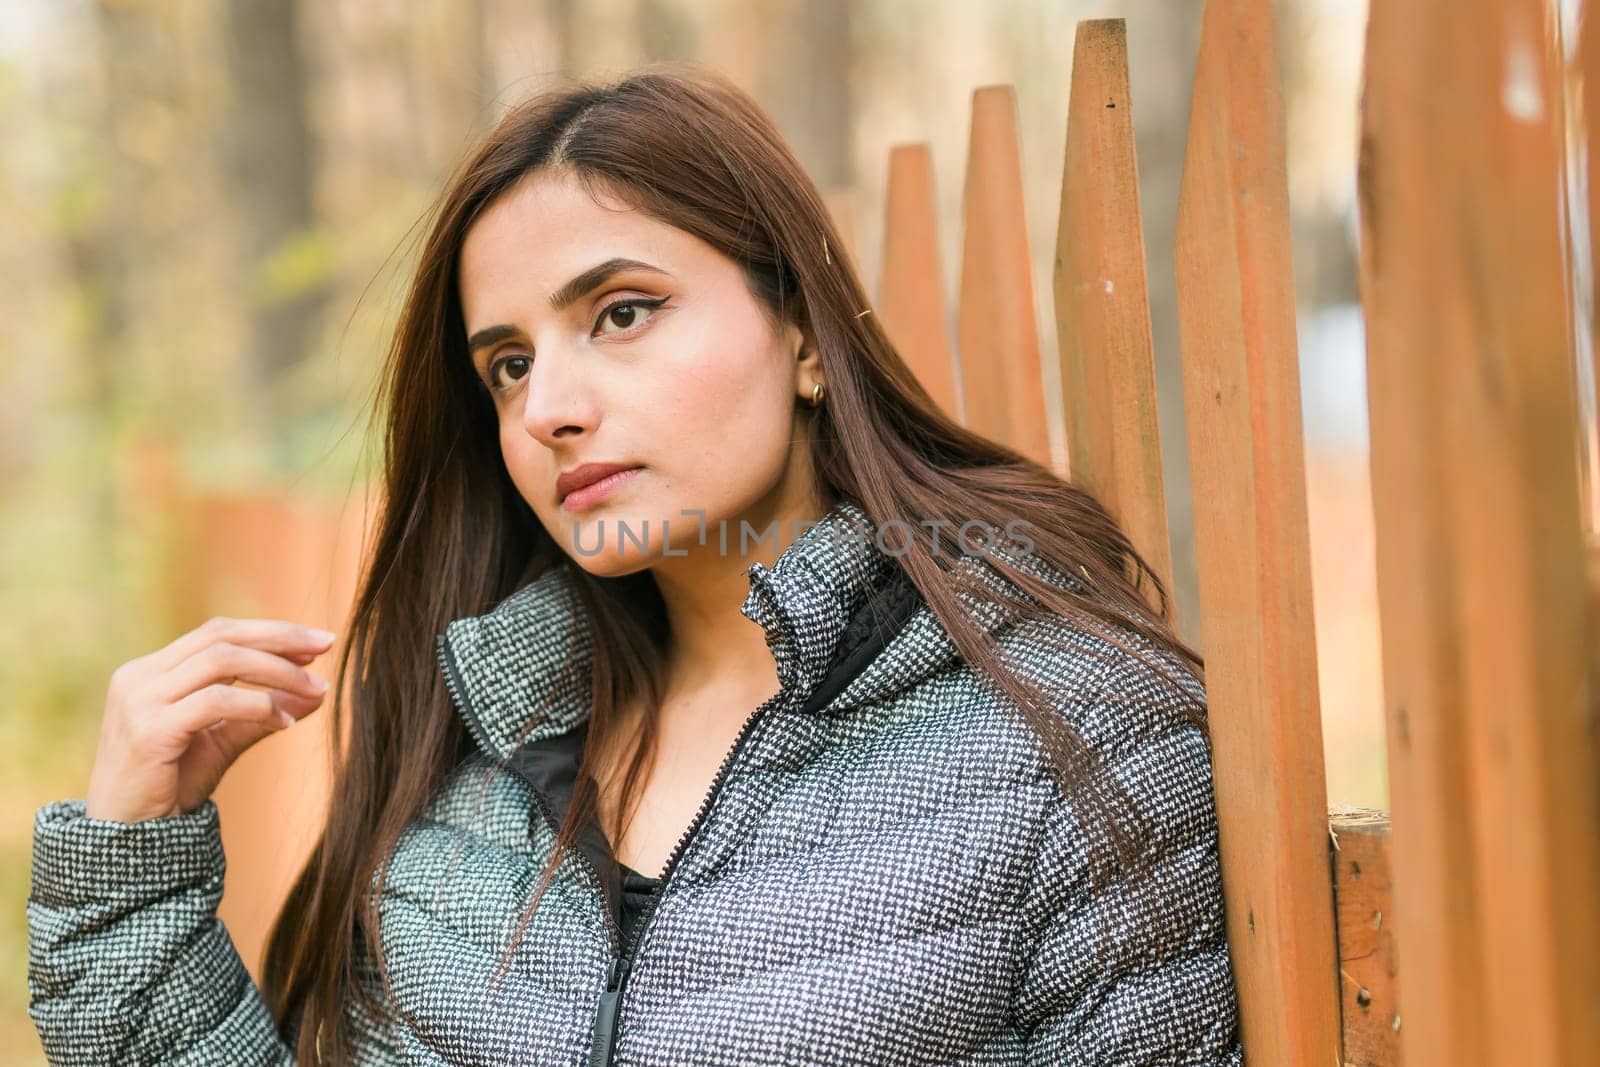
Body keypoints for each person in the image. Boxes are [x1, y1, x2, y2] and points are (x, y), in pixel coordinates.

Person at [27, 62, 1242, 1065]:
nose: (549, 405)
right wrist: (132, 880)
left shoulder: (1078, 740)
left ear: (805, 333)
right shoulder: (480, 780)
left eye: (621, 310)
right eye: (507, 363)